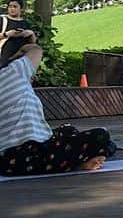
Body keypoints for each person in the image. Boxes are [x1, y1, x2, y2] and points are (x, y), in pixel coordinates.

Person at [1, 44, 116, 176]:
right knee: (101, 135)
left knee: (68, 130)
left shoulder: (13, 75)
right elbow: (35, 49)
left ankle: (94, 153)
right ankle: (81, 162)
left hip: (8, 159)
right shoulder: (12, 73)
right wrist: (24, 45)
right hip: (24, 156)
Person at [0, 0, 37, 67]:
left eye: (15, 7)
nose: (12, 9)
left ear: (21, 9)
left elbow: (32, 44)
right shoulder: (2, 20)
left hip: (19, 61)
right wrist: (6, 34)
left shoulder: (25, 23)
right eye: (10, 6)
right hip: (3, 58)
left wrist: (31, 34)